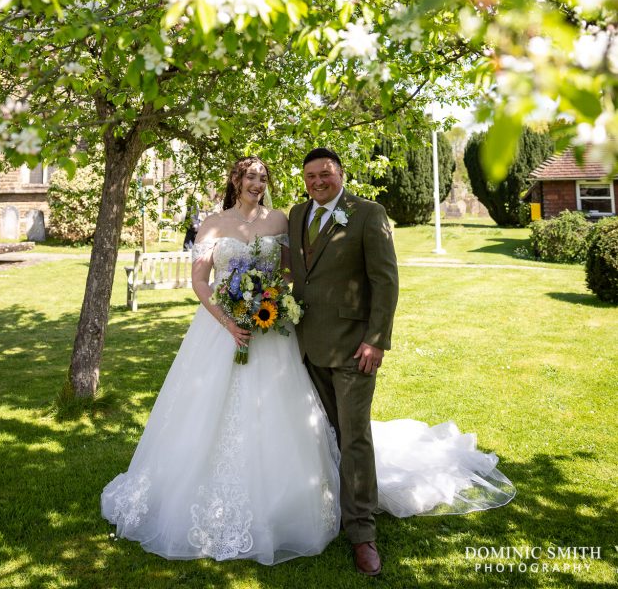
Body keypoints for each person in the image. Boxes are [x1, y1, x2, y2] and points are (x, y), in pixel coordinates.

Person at [102, 153, 515, 569]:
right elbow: (200, 280)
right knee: (220, 418)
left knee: (330, 429)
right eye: (249, 175)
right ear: (235, 179)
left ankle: (356, 526)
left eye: (263, 176)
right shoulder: (222, 222)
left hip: (280, 336)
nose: (256, 182)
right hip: (228, 333)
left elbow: (298, 274)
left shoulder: (288, 219)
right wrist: (231, 319)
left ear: (338, 175)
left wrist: (271, 304)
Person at [288, 147, 398, 576]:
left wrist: (376, 340)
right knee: (324, 435)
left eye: (325, 174)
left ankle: (362, 532)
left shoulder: (369, 213)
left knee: (354, 437)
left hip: (355, 348)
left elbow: (385, 281)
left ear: (340, 174)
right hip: (306, 347)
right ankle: (330, 506)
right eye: (310, 175)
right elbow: (298, 273)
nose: (318, 181)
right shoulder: (297, 215)